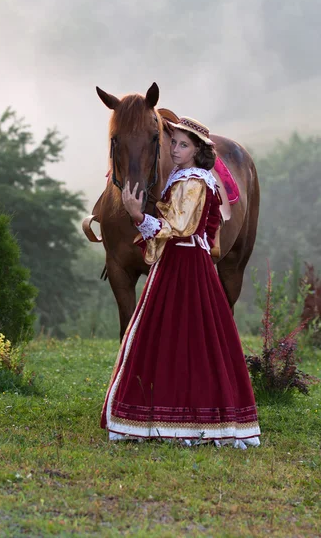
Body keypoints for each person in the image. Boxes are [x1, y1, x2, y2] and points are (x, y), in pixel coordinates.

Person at [101, 116, 260, 449]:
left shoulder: (193, 182)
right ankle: (169, 410)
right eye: (172, 142)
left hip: (184, 266)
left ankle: (185, 416)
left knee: (180, 338)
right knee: (177, 339)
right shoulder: (181, 177)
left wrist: (137, 216)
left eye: (183, 145)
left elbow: (177, 228)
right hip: (178, 262)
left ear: (197, 151)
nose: (175, 149)